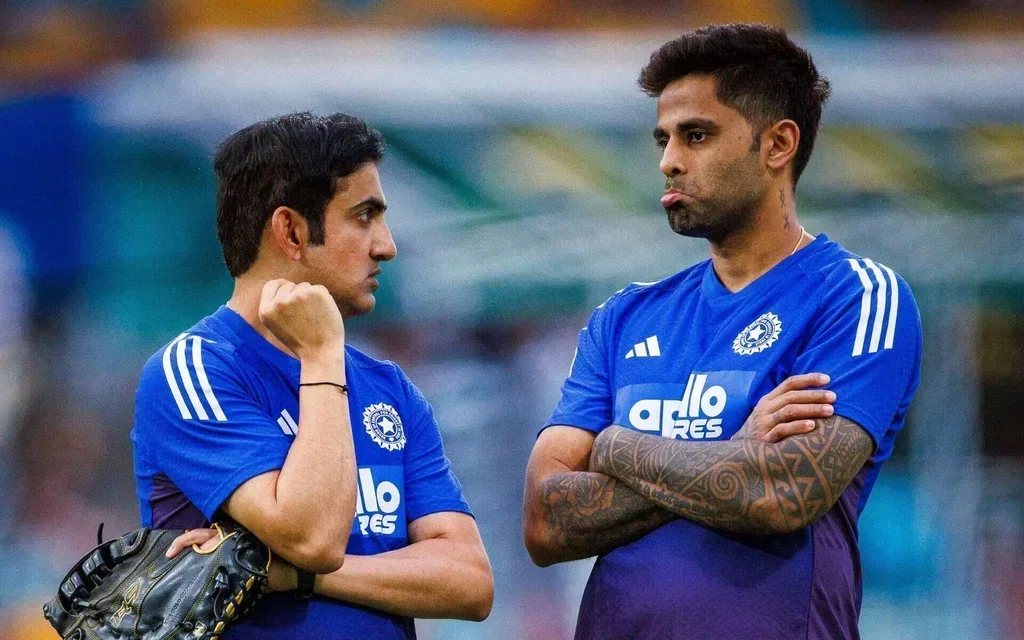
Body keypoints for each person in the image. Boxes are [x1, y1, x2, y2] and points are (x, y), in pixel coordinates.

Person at [522, 23, 922, 640]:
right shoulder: (624, 317)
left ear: (777, 144)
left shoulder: (857, 296)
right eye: (663, 139)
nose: (669, 161)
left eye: (697, 135)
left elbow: (781, 493)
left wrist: (617, 448)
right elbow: (546, 522)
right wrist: (737, 449)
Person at [131, 112, 493, 640]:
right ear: (292, 231)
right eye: (364, 216)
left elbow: (469, 582)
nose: (386, 245)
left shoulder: (389, 389)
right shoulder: (192, 371)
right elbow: (315, 539)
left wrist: (294, 577)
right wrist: (323, 357)